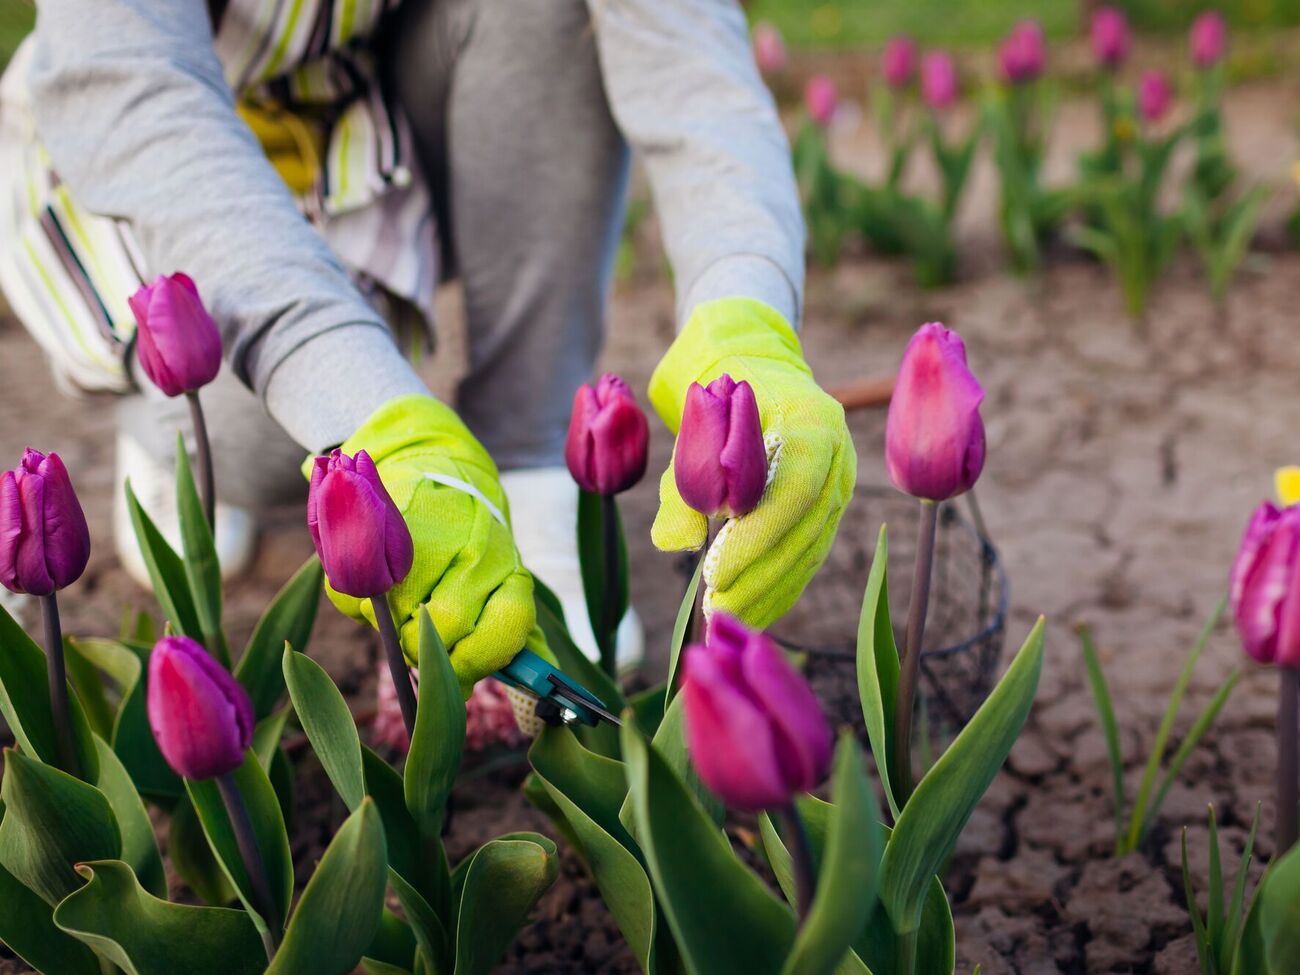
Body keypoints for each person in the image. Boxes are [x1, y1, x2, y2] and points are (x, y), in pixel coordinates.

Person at [0, 0, 855, 686]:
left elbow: (686, 50)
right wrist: (370, 413)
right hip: (141, 167)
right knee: (262, 421)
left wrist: (746, 309)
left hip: (350, 119)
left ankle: (528, 461)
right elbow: (138, 90)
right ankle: (174, 447)